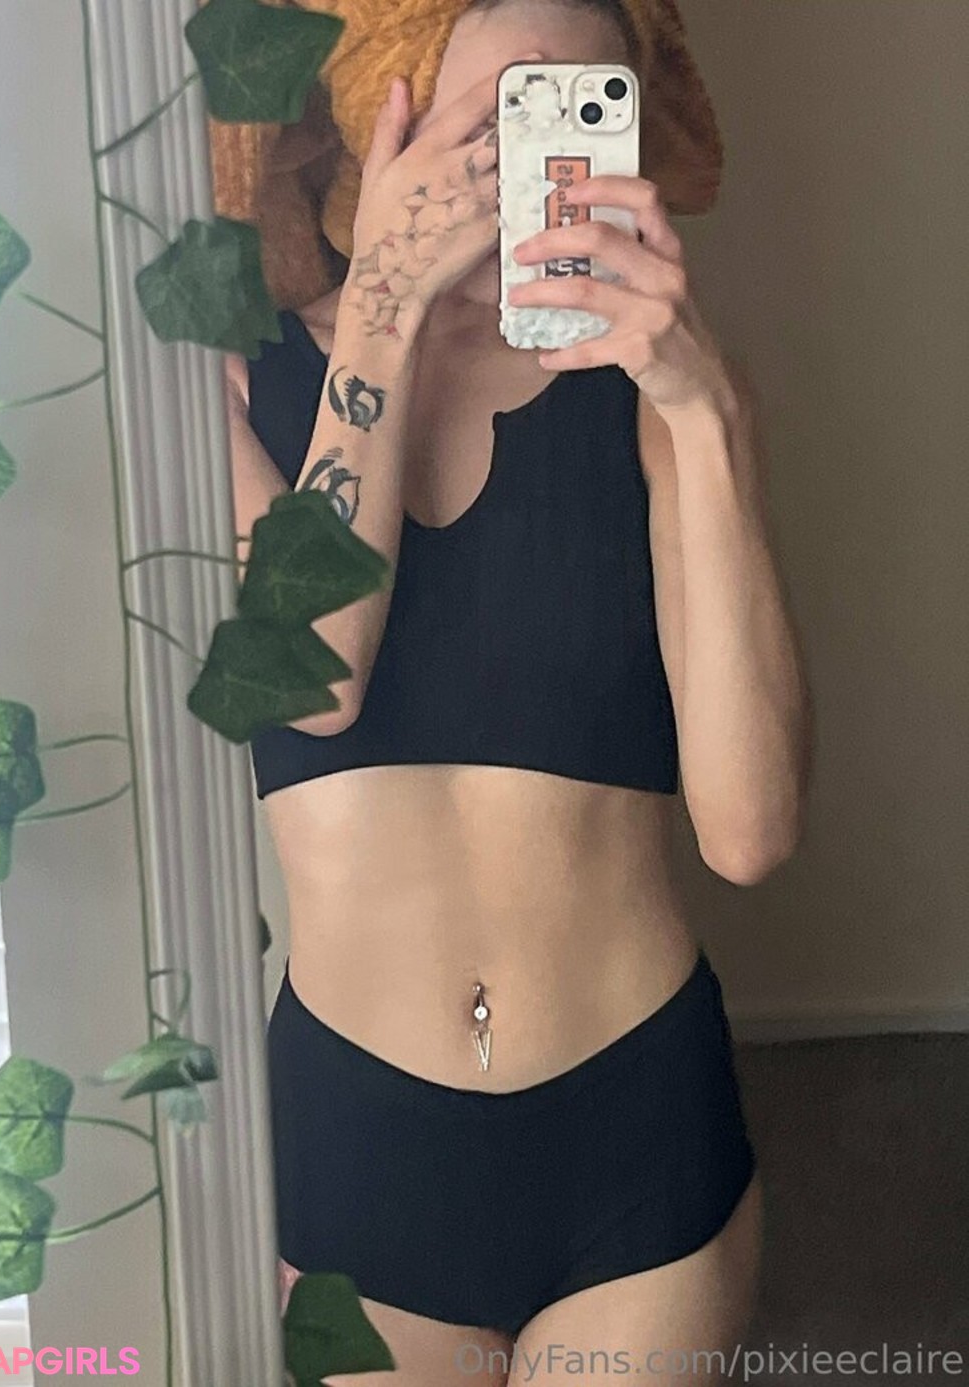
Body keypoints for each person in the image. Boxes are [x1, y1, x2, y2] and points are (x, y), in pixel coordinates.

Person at [225, 1, 811, 1381]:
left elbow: (751, 832)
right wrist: (383, 309)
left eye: (575, 116)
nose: (525, 165)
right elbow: (309, 684)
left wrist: (705, 411)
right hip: (357, 1148)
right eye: (488, 123)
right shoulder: (239, 386)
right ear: (389, 112)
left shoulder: (657, 400)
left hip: (637, 1142)